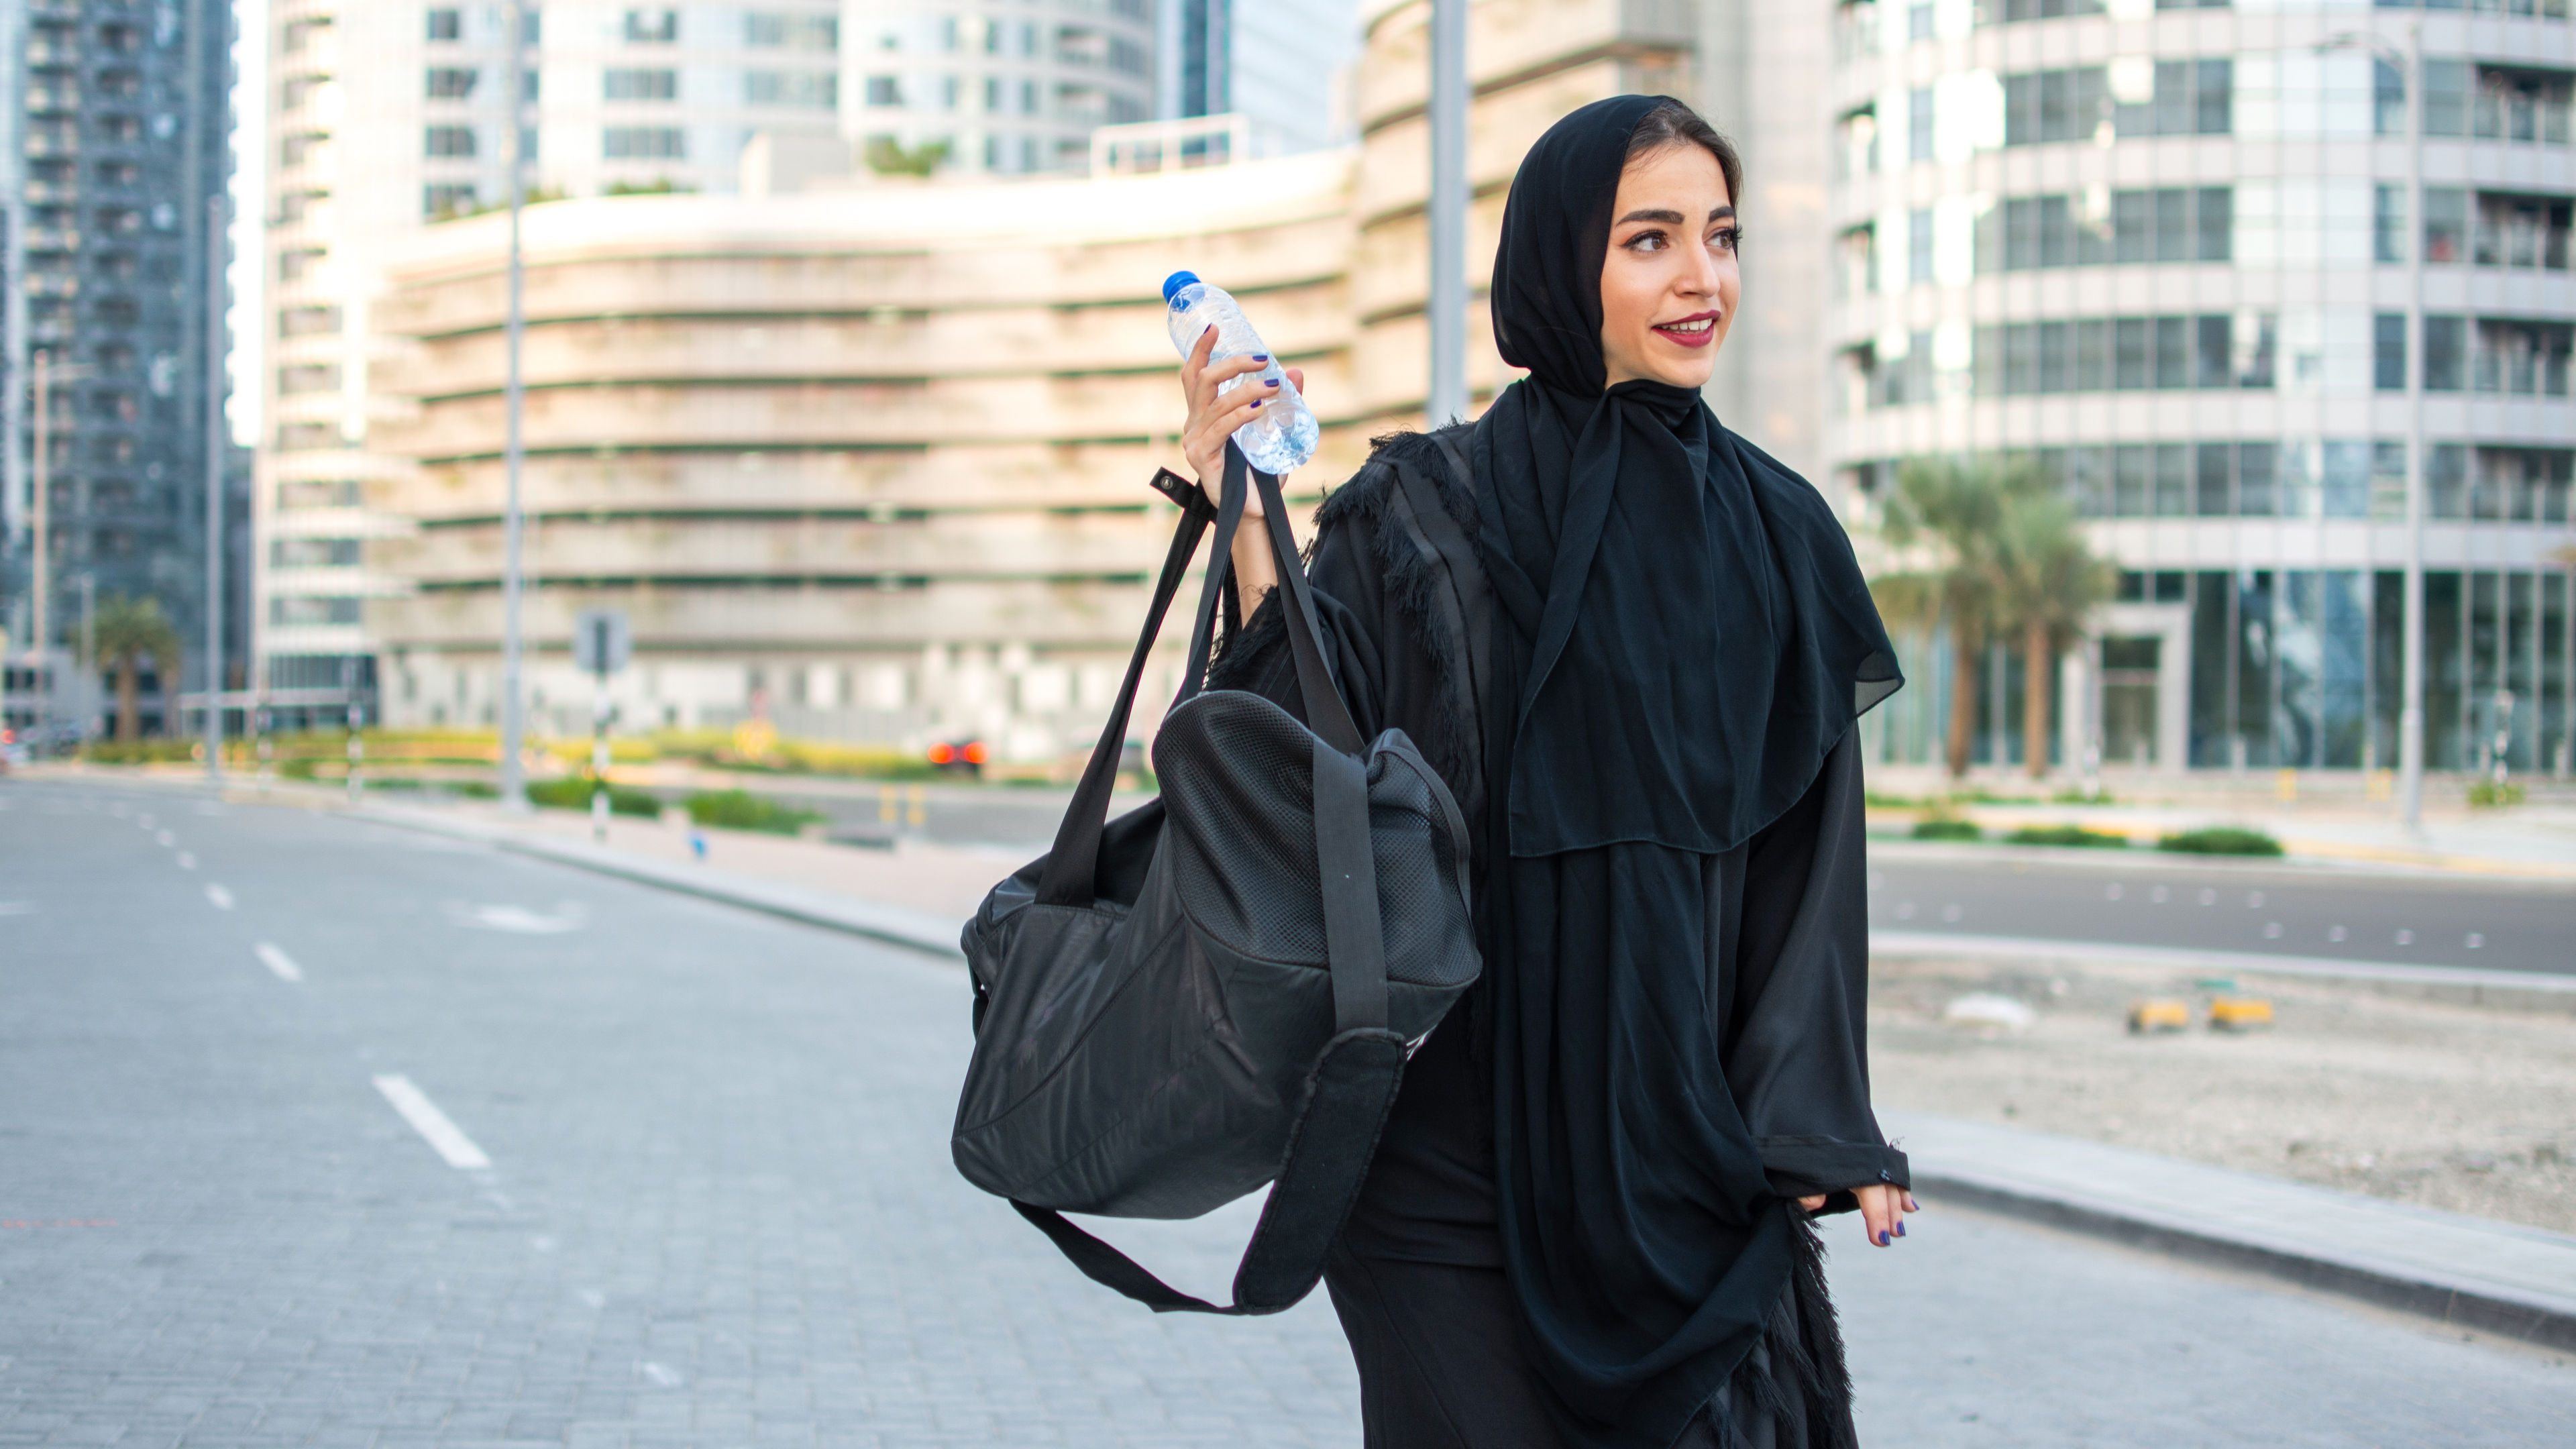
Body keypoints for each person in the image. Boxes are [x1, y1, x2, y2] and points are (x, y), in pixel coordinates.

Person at [1169, 96, 1915, 1448]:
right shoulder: (1424, 515)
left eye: (1722, 236)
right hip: (1438, 1168)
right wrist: (1249, 526)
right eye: (1651, 240)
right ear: (1561, 265)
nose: (1703, 278)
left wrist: (1820, 1129)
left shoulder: (1780, 538)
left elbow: (1811, 861)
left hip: (1670, 1163)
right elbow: (1308, 776)